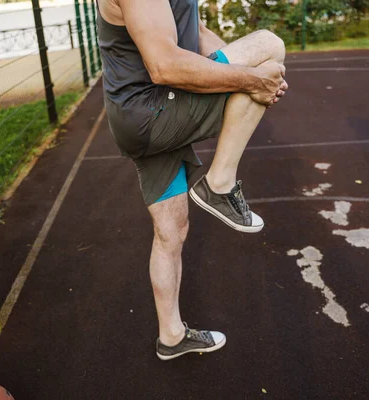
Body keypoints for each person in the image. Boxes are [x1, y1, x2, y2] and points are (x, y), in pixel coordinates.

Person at [96, 0, 288, 360]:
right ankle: (219, 184)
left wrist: (248, 70)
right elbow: (165, 65)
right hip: (150, 111)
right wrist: (253, 77)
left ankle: (171, 337)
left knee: (171, 231)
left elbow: (198, 34)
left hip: (144, 112)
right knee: (269, 47)